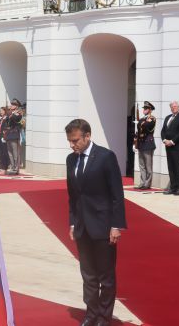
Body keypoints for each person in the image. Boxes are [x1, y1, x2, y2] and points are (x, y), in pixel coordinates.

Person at [65, 119, 126, 326]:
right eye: (70, 141)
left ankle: (104, 318)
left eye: (75, 140)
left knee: (105, 277)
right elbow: (73, 196)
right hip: (82, 227)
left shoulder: (106, 157)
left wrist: (116, 225)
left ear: (87, 136)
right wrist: (72, 222)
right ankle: (91, 315)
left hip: (103, 226)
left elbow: (117, 194)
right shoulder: (71, 160)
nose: (72, 145)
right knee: (88, 276)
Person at [161, 101, 179, 195]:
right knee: (171, 168)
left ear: (178, 107)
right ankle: (172, 187)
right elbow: (163, 130)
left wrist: (172, 141)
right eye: (172, 107)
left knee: (178, 168)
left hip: (178, 147)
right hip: (168, 147)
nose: (173, 108)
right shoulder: (168, 117)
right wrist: (164, 140)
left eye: (175, 106)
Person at [135, 101, 156, 190]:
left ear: (150, 110)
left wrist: (143, 122)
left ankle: (147, 183)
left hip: (148, 143)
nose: (144, 110)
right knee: (142, 165)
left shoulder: (152, 119)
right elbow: (138, 131)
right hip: (141, 144)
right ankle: (142, 182)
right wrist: (135, 143)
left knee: (148, 166)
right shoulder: (142, 119)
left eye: (146, 109)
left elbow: (148, 127)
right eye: (144, 108)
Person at [4, 99, 23, 175]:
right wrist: (9, 113)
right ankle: (12, 165)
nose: (11, 106)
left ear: (17, 106)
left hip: (14, 134)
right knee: (10, 152)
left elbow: (15, 119)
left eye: (13, 105)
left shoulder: (18, 114)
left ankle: (16, 167)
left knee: (15, 152)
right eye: (11, 104)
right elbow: (6, 122)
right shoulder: (10, 113)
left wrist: (12, 114)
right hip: (8, 135)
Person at [0, 107, 9, 172]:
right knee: (0, 151)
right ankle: (2, 165)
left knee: (5, 151)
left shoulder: (7, 118)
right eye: (0, 111)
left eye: (2, 110)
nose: (1, 112)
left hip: (3, 136)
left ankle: (6, 165)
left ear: (5, 111)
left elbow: (6, 128)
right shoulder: (1, 119)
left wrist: (4, 136)